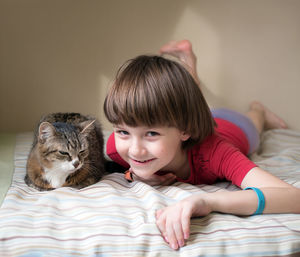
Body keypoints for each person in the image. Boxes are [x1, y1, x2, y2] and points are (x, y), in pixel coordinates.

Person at [103, 40, 300, 250]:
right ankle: (188, 64)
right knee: (181, 106)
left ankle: (259, 110)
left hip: (233, 125)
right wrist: (133, 174)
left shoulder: (216, 152)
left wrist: (208, 201)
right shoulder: (116, 148)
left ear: (185, 131)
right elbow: (127, 163)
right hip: (194, 119)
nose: (134, 150)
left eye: (151, 133)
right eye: (123, 131)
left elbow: (294, 197)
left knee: (254, 125)